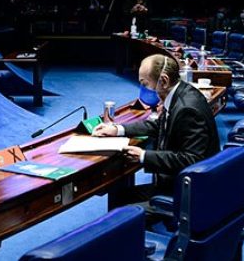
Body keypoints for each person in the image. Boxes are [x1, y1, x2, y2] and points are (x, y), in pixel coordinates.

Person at [93, 54, 220, 211]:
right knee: (118, 196)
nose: (143, 89)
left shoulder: (187, 109)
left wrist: (143, 156)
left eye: (145, 83)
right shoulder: (181, 92)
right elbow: (158, 125)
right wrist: (118, 129)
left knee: (121, 209)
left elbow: (192, 160)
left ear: (164, 81)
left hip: (191, 192)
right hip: (180, 183)